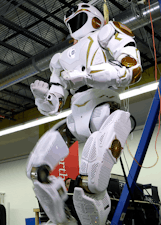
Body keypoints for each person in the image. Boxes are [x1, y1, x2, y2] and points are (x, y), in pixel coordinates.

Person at [26, 2, 142, 225]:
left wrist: (89, 75)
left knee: (92, 182)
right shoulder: (60, 59)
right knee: (37, 171)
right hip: (75, 117)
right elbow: (55, 104)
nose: (71, 18)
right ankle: (61, 220)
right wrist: (43, 98)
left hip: (104, 110)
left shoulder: (107, 33)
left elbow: (132, 69)